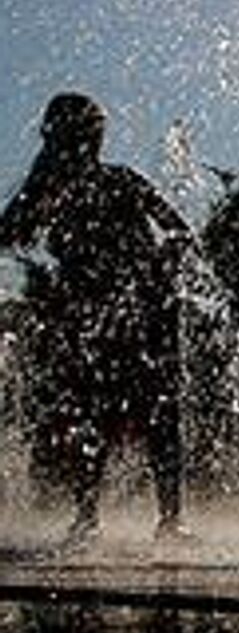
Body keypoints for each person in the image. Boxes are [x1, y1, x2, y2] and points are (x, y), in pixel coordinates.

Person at [0, 92, 192, 544]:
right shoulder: (56, 189)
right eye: (93, 131)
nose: (97, 140)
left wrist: (160, 264)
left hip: (119, 314)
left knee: (108, 413)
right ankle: (148, 518)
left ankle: (102, 517)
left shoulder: (99, 184)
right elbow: (180, 233)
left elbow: (180, 233)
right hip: (112, 316)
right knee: (136, 413)